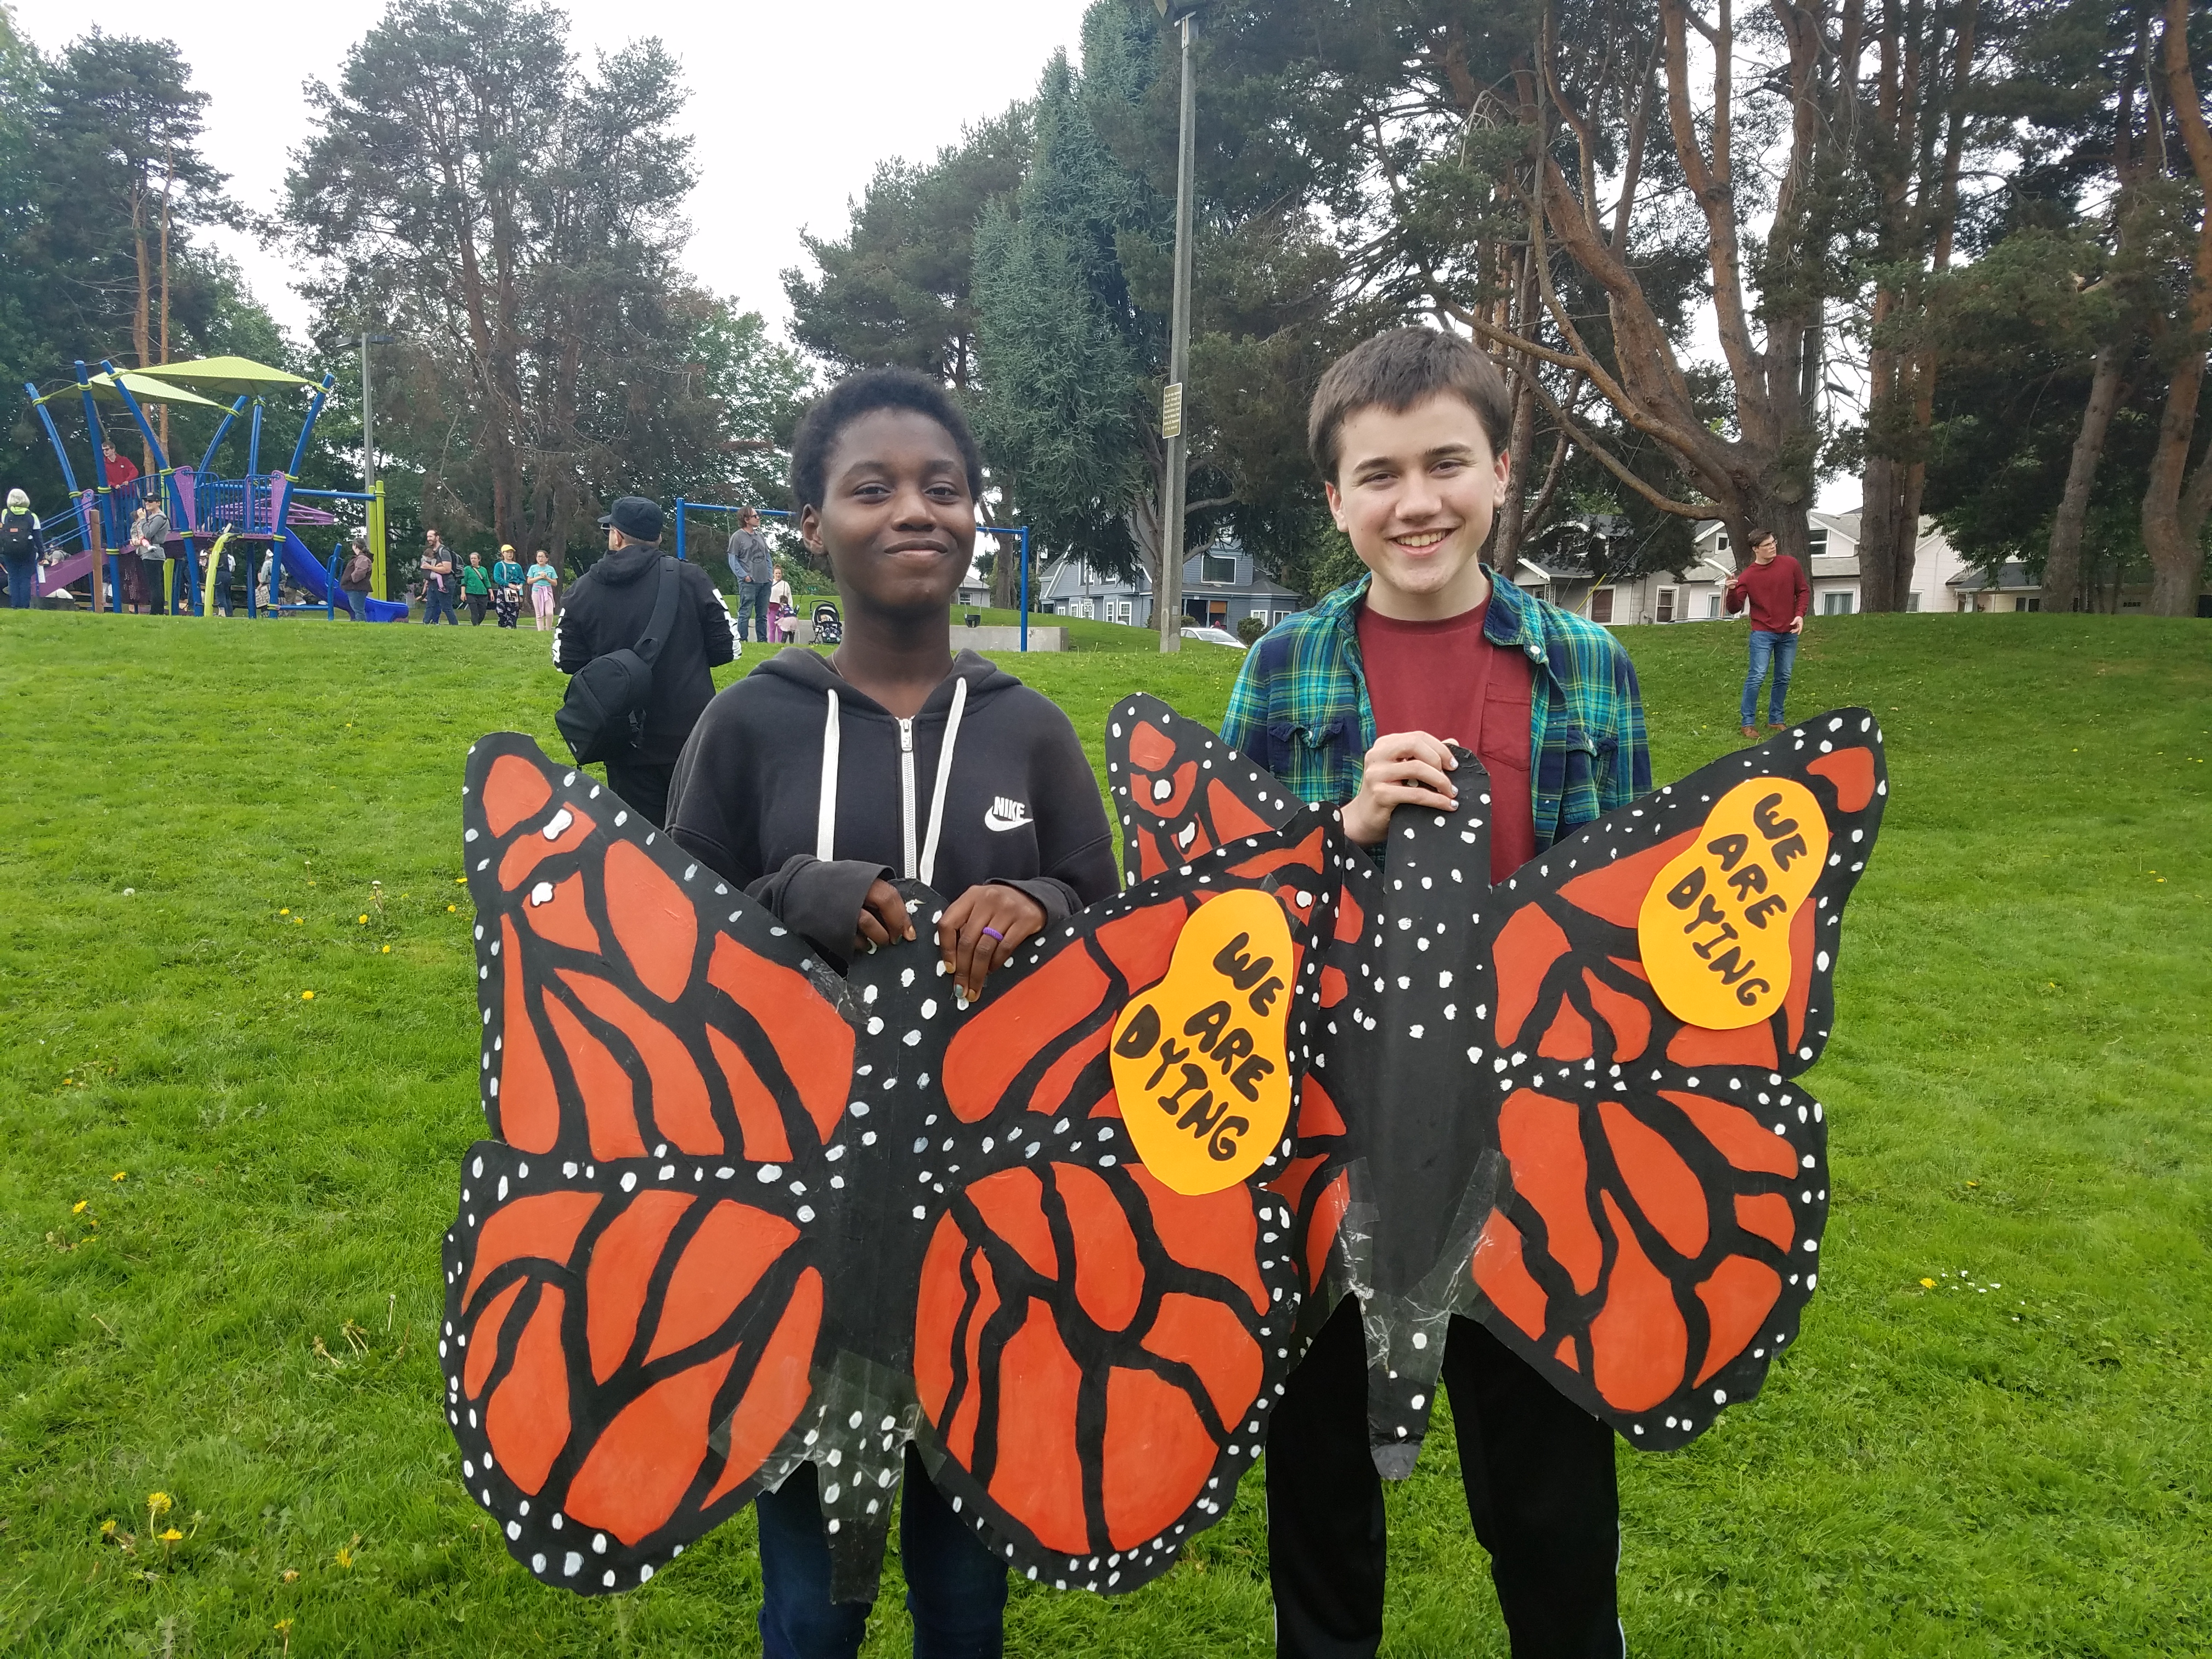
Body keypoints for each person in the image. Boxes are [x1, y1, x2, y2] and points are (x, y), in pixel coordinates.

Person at [665, 368, 1116, 1659]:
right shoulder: (749, 720)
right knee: (813, 1602)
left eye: (942, 486)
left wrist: (1037, 900)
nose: (913, 510)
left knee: (966, 1591)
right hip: (803, 1209)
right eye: (872, 489)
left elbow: (1116, 941)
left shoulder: (1030, 731)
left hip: (989, 1212)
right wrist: (791, 891)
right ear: (812, 522)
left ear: (976, 516)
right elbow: (670, 943)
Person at [1219, 326, 1650, 1659]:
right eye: (1381, 475)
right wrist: (1338, 829)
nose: (1418, 502)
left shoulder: (1587, 668)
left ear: (1504, 470)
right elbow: (1219, 923)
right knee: (1324, 1510)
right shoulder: (1281, 670)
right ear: (1336, 500)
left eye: (1447, 463)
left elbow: (1625, 932)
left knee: (1551, 1510)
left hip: (1528, 1161)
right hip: (1331, 1159)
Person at [554, 496, 733, 827]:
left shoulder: (582, 590)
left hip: (624, 739)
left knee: (639, 849)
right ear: (659, 538)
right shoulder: (692, 579)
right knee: (697, 842)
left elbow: (567, 661)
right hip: (691, 737)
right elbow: (727, 648)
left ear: (617, 536)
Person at [1724, 528, 1809, 738]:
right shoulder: (1748, 576)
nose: (1773, 547)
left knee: (1784, 676)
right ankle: (1748, 723)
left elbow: (1804, 591)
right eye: (1767, 545)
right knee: (1757, 676)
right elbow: (1734, 608)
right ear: (1756, 549)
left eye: (1773, 542)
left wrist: (1799, 615)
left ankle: (1776, 720)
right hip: (1762, 633)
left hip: (1788, 631)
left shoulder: (1790, 564)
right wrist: (1732, 590)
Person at [727, 506, 775, 645]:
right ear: (746, 519)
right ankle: (743, 640)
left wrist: (770, 575)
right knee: (745, 612)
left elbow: (767, 556)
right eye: (755, 516)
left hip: (765, 581)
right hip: (749, 582)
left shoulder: (760, 536)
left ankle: (762, 641)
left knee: (762, 615)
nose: (758, 518)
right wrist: (744, 576)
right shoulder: (737, 537)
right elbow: (732, 559)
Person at [2, 488, 45, 609]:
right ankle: (25, 606)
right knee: (25, 578)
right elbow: (38, 537)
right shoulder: (32, 516)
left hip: (9, 552)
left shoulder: (5, 514)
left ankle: (15, 605)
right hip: (28, 551)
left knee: (13, 577)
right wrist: (42, 554)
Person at [127, 499, 170, 615]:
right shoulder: (154, 518)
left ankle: (156, 611)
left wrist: (142, 519)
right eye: (146, 501)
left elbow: (148, 534)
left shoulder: (159, 517)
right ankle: (158, 610)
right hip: (152, 553)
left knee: (154, 584)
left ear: (158, 503)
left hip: (152, 554)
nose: (147, 503)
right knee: (156, 584)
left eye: (151, 501)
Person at [420, 530, 458, 624]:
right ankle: (425, 625)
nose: (429, 539)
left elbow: (447, 569)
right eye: (428, 537)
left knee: (446, 607)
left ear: (437, 537)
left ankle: (455, 626)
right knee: (430, 605)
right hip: (433, 583)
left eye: (431, 537)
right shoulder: (431, 552)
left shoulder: (444, 551)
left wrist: (430, 567)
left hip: (445, 583)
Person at [340, 527, 375, 621]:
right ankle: (359, 624)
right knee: (357, 609)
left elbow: (360, 572)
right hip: (356, 588)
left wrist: (350, 579)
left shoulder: (362, 559)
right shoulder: (362, 558)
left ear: (355, 546)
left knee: (358, 610)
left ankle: (361, 625)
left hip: (357, 587)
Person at [491, 544, 524, 628]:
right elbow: (497, 578)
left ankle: (512, 626)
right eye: (508, 552)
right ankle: (503, 625)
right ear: (503, 553)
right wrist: (508, 584)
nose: (510, 554)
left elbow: (522, 579)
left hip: (514, 590)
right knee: (501, 609)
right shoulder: (499, 565)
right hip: (504, 589)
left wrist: (520, 591)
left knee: (513, 609)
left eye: (511, 552)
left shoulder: (517, 566)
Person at [526, 551, 560, 631]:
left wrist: (547, 578)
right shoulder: (533, 568)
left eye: (542, 557)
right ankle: (540, 631)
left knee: (549, 613)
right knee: (539, 614)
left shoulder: (551, 569)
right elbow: (529, 581)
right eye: (539, 557)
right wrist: (539, 577)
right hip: (536, 591)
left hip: (547, 591)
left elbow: (555, 583)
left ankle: (548, 630)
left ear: (546, 559)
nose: (540, 558)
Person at [461, 549, 493, 624]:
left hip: (483, 593)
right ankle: (475, 626)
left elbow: (487, 581)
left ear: (479, 560)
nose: (473, 560)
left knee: (482, 613)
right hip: (471, 593)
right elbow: (464, 582)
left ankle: (477, 624)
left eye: (475, 558)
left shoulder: (483, 570)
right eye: (472, 558)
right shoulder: (467, 569)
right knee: (474, 612)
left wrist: (491, 592)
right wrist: (463, 593)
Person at [767, 561, 795, 641]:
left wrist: (790, 609)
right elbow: (766, 596)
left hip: (782, 609)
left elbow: (789, 597)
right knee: (772, 628)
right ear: (773, 574)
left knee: (781, 629)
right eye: (776, 573)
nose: (778, 575)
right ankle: (771, 645)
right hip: (771, 608)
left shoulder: (785, 585)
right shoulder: (770, 583)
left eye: (779, 573)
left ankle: (781, 644)